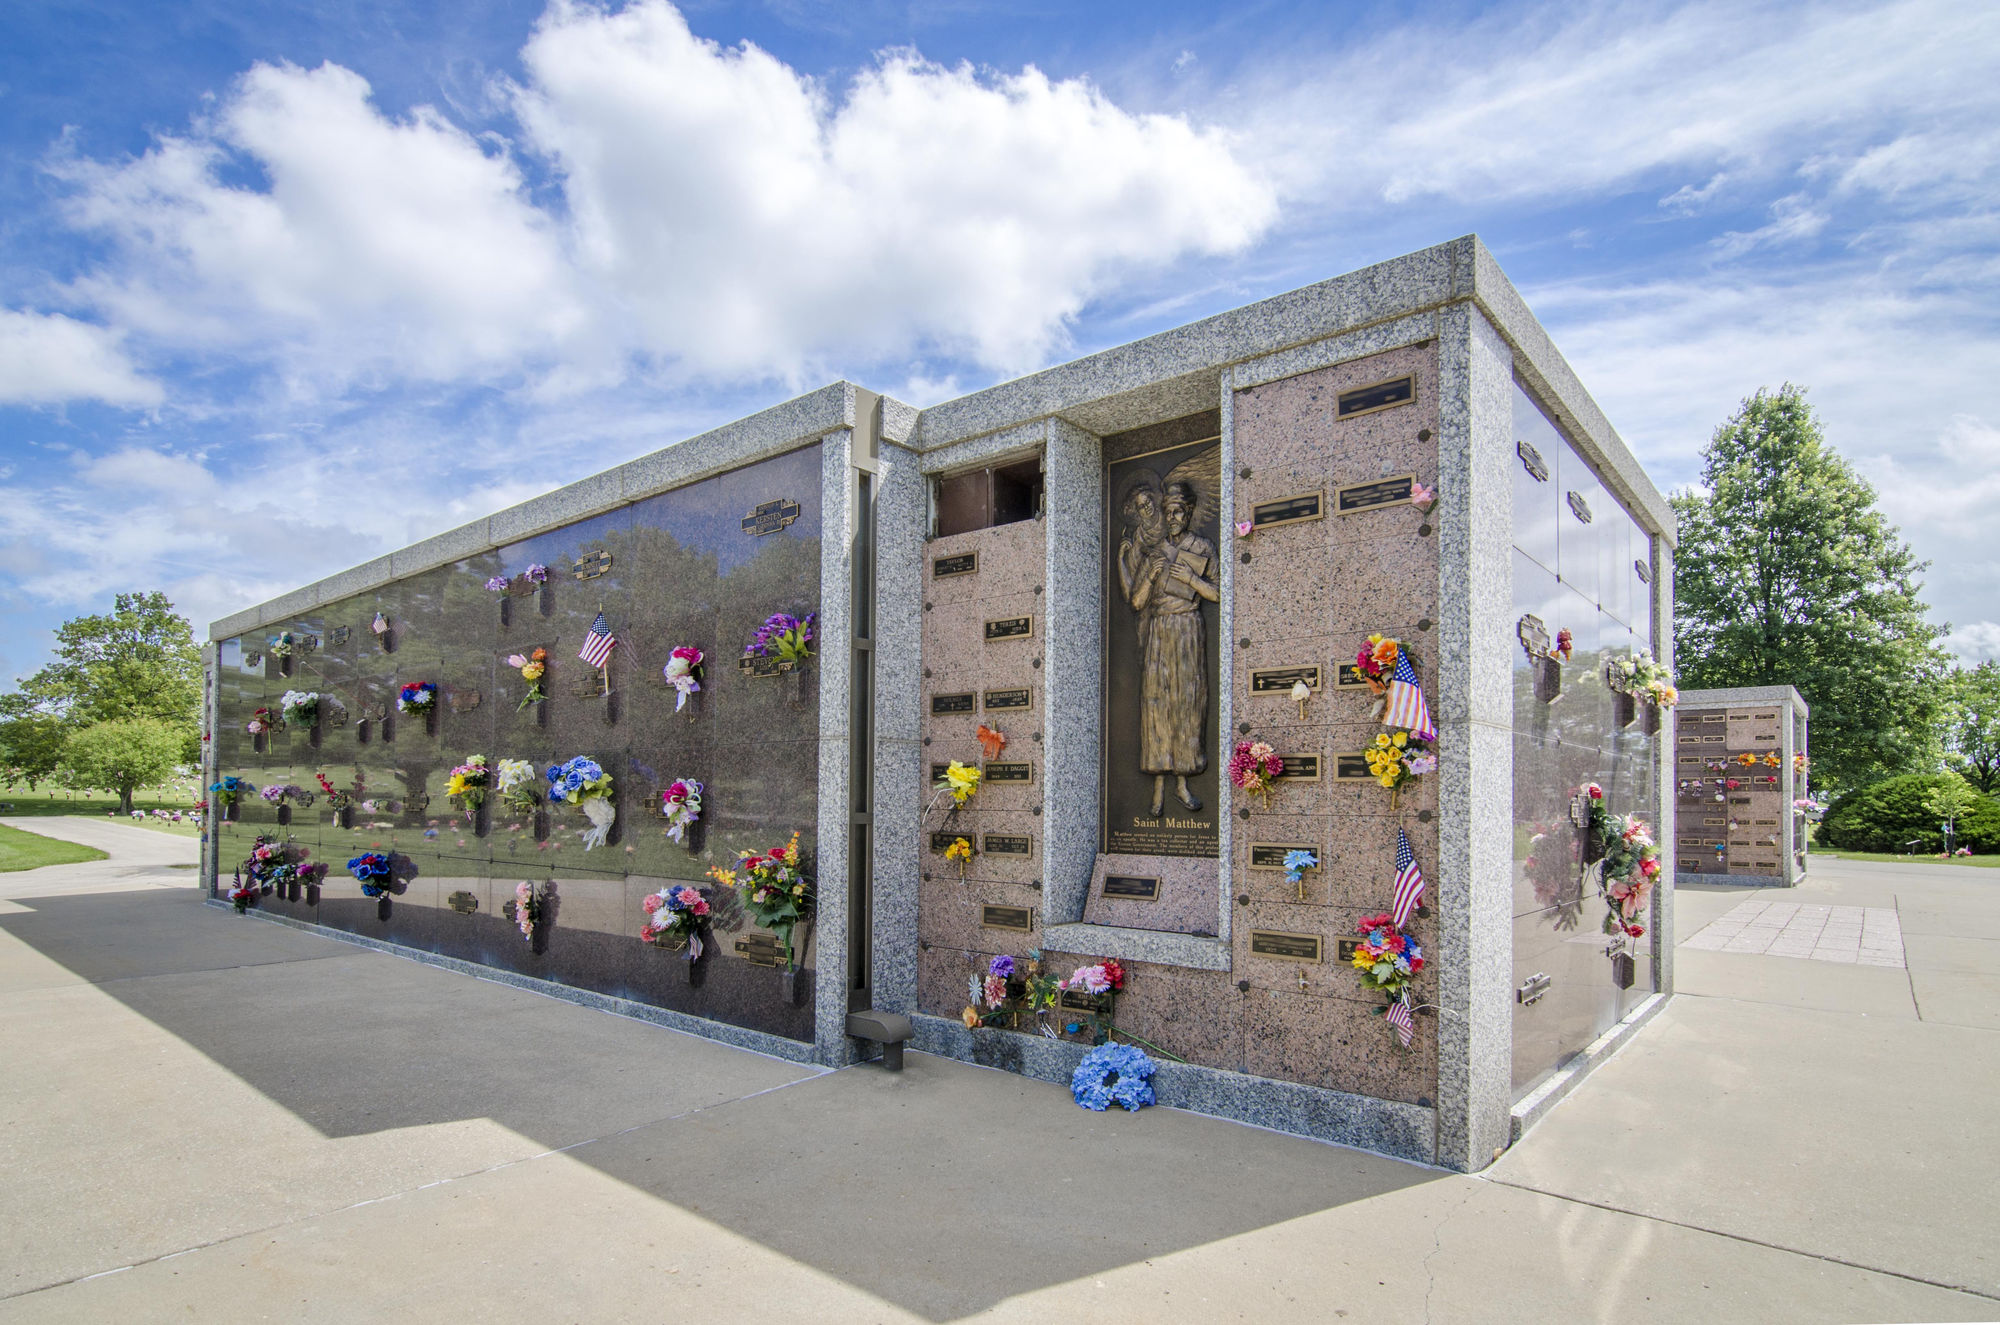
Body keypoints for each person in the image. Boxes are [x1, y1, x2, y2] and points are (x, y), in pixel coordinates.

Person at [1118, 478, 1219, 817]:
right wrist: (1150, 576)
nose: (1173, 518)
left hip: (1187, 629)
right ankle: (1158, 786)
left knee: (1186, 702)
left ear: (1188, 514)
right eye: (1169, 512)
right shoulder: (1155, 552)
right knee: (1157, 703)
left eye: (1179, 512)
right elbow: (1136, 602)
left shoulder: (1202, 547)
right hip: (1159, 631)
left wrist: (1192, 580)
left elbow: (1217, 593)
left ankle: (1182, 784)